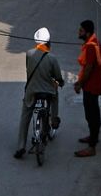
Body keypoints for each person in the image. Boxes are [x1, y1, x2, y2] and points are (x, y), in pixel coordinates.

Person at [14, 27, 64, 158]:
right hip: (47, 92)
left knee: (25, 115)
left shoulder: (29, 54)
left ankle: (20, 146)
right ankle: (53, 119)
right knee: (55, 95)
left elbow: (28, 71)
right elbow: (58, 77)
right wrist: (59, 82)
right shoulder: (52, 58)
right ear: (49, 42)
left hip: (32, 92)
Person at [73, 19, 101, 156]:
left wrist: (79, 84)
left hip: (91, 86)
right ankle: (93, 137)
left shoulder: (91, 46)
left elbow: (88, 68)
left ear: (87, 33)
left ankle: (92, 146)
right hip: (93, 84)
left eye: (81, 31)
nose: (78, 33)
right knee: (93, 113)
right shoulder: (94, 42)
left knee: (91, 115)